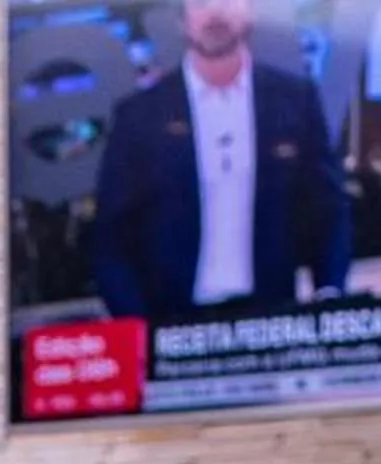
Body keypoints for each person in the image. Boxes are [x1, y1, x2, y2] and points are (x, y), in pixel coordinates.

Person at [91, 0, 351, 323]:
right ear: (182, 20)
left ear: (251, 11)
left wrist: (329, 291)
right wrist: (136, 323)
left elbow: (327, 209)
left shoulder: (295, 101)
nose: (215, 12)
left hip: (271, 318)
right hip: (172, 323)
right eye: (201, 2)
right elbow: (111, 236)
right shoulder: (140, 116)